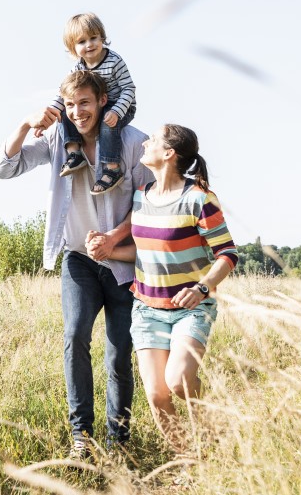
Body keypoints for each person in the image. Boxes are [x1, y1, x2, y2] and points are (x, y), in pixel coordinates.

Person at [0, 69, 150, 457]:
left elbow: (148, 204)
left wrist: (114, 238)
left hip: (124, 262)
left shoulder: (133, 142)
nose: (78, 111)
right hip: (78, 259)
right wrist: (26, 124)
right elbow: (5, 168)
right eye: (70, 104)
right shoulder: (59, 139)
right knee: (75, 336)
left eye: (85, 102)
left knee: (118, 352)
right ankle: (81, 436)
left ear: (101, 101)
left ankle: (119, 441)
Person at [87, 124, 238, 454]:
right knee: (157, 395)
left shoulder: (199, 198)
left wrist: (202, 287)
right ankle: (188, 460)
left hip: (191, 308)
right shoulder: (142, 196)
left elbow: (228, 253)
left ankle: (211, 430)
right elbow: (143, 249)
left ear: (169, 153)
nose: (146, 143)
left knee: (179, 381)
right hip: (147, 309)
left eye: (153, 140)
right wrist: (106, 249)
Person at [38, 13, 137, 196]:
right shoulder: (77, 68)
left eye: (93, 38)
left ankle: (112, 169)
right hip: (94, 106)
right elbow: (63, 95)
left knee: (107, 124)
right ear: (73, 48)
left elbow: (129, 89)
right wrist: (50, 114)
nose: (89, 45)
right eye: (82, 42)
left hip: (119, 105)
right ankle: (75, 153)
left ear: (102, 38)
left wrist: (116, 111)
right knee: (67, 113)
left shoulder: (114, 61)